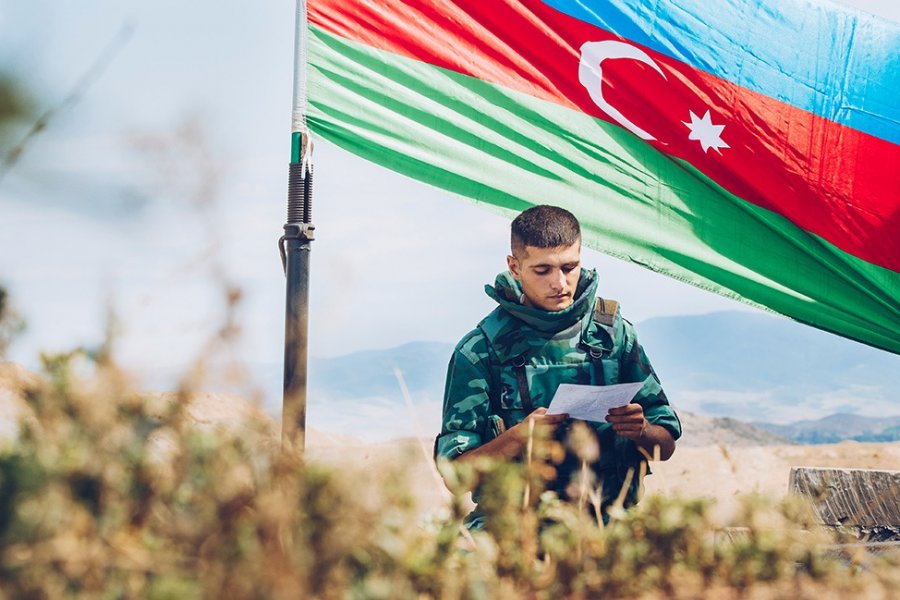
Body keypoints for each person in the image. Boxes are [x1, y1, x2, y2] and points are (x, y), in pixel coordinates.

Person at [435, 205, 681, 529]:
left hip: (610, 527)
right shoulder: (481, 351)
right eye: (543, 270)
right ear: (515, 266)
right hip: (514, 529)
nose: (560, 283)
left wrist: (642, 430)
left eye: (570, 267)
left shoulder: (613, 334)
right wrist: (518, 438)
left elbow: (664, 447)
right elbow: (456, 477)